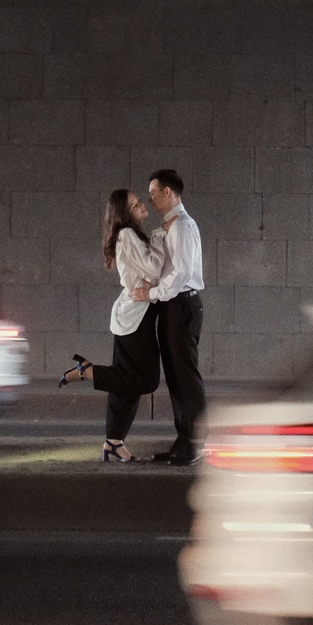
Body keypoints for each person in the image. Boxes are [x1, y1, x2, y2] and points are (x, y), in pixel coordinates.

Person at [55, 188, 164, 464]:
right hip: (134, 317)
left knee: (126, 384)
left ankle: (113, 442)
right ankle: (87, 372)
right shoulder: (128, 235)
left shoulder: (131, 235)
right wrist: (160, 237)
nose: (141, 203)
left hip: (135, 314)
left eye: (139, 199)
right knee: (145, 380)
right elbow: (152, 270)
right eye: (134, 203)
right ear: (124, 213)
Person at [135, 167, 205, 466]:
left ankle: (196, 442)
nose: (150, 200)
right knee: (176, 378)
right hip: (172, 305)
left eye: (153, 194)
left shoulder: (183, 226)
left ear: (168, 192)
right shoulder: (170, 225)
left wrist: (151, 294)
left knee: (186, 378)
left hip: (181, 304)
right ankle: (184, 441)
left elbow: (182, 272)